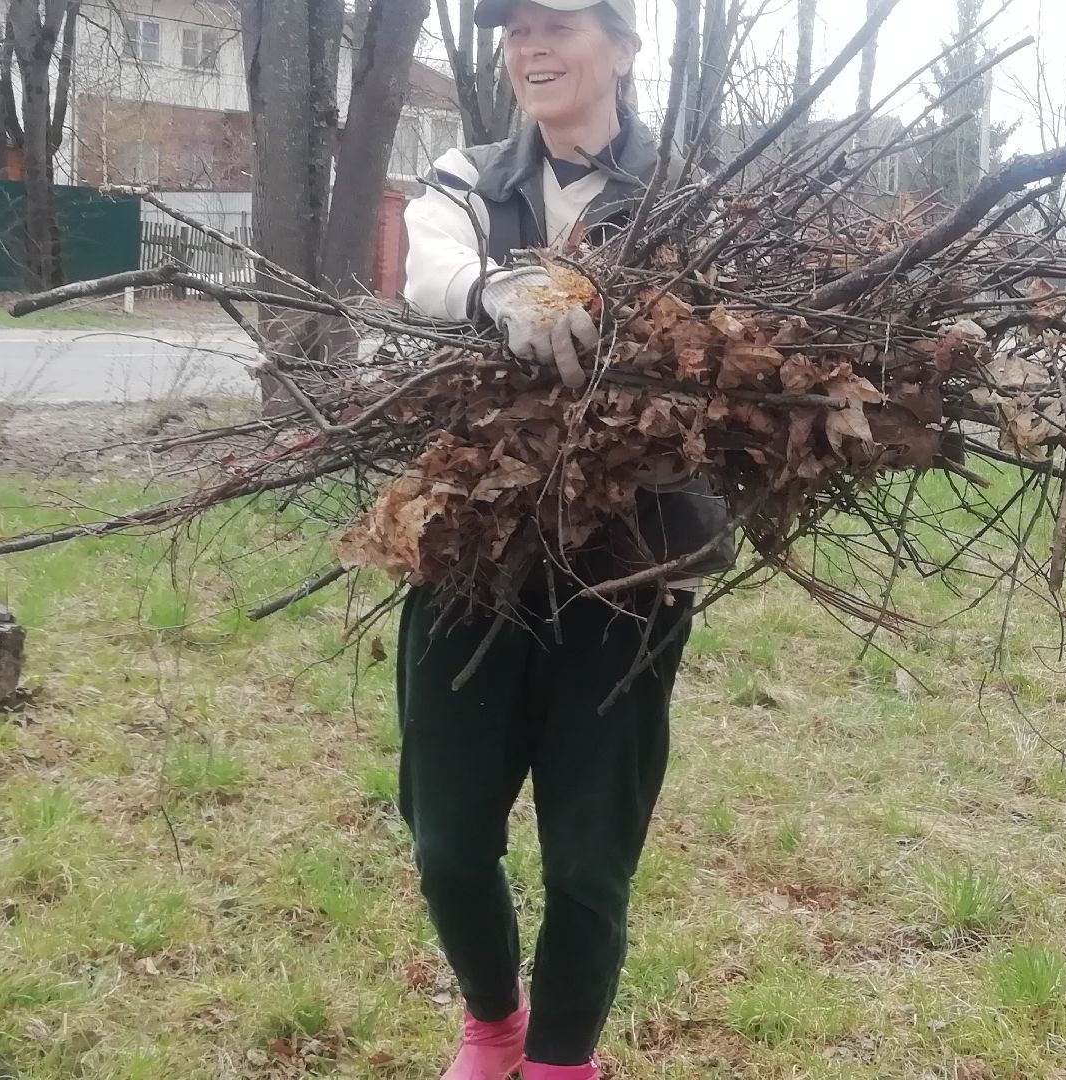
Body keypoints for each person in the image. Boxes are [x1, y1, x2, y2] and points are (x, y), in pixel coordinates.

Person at [398, 2, 731, 1078]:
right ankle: (493, 1022)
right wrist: (502, 288)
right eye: (513, 31)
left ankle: (558, 1060)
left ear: (624, 51)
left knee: (590, 857)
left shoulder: (691, 197)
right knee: (447, 838)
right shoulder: (466, 173)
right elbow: (425, 268)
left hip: (627, 566)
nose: (529, 48)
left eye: (557, 25)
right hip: (470, 552)